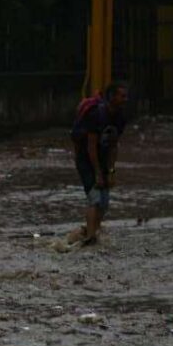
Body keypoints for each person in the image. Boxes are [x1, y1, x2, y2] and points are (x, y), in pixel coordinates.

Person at [69, 81, 129, 246]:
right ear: (112, 97)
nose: (125, 99)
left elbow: (113, 146)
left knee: (104, 202)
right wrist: (97, 173)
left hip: (102, 159)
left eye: (126, 96)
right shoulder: (96, 115)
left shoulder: (120, 118)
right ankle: (90, 236)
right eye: (122, 96)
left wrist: (110, 171)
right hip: (86, 159)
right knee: (95, 198)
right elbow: (90, 146)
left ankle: (91, 231)